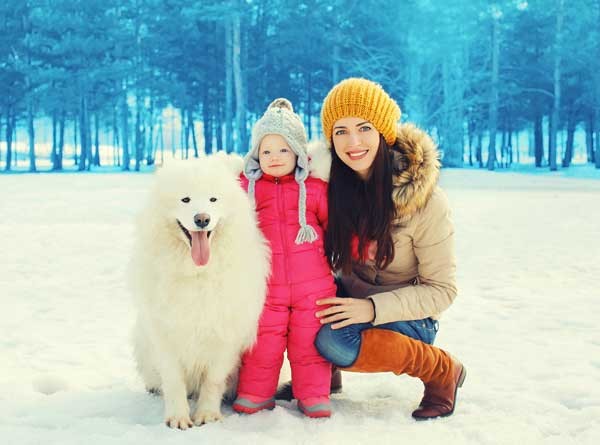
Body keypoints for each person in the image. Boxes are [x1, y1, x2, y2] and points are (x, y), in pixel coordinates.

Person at [312, 77, 466, 420]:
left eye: (364, 128)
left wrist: (370, 308)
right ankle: (320, 378)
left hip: (408, 317)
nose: (353, 142)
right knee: (295, 303)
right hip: (352, 300)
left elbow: (442, 290)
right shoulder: (332, 188)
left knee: (335, 342)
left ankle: (443, 370)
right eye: (341, 131)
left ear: (383, 131)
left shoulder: (427, 202)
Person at [233, 98, 337, 418]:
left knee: (308, 344)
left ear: (298, 153)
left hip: (314, 287)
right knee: (263, 342)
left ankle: (314, 395)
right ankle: (255, 393)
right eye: (266, 151)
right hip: (265, 285)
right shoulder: (245, 189)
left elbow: (336, 226)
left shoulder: (316, 189)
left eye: (283, 150)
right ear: (255, 155)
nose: (274, 158)